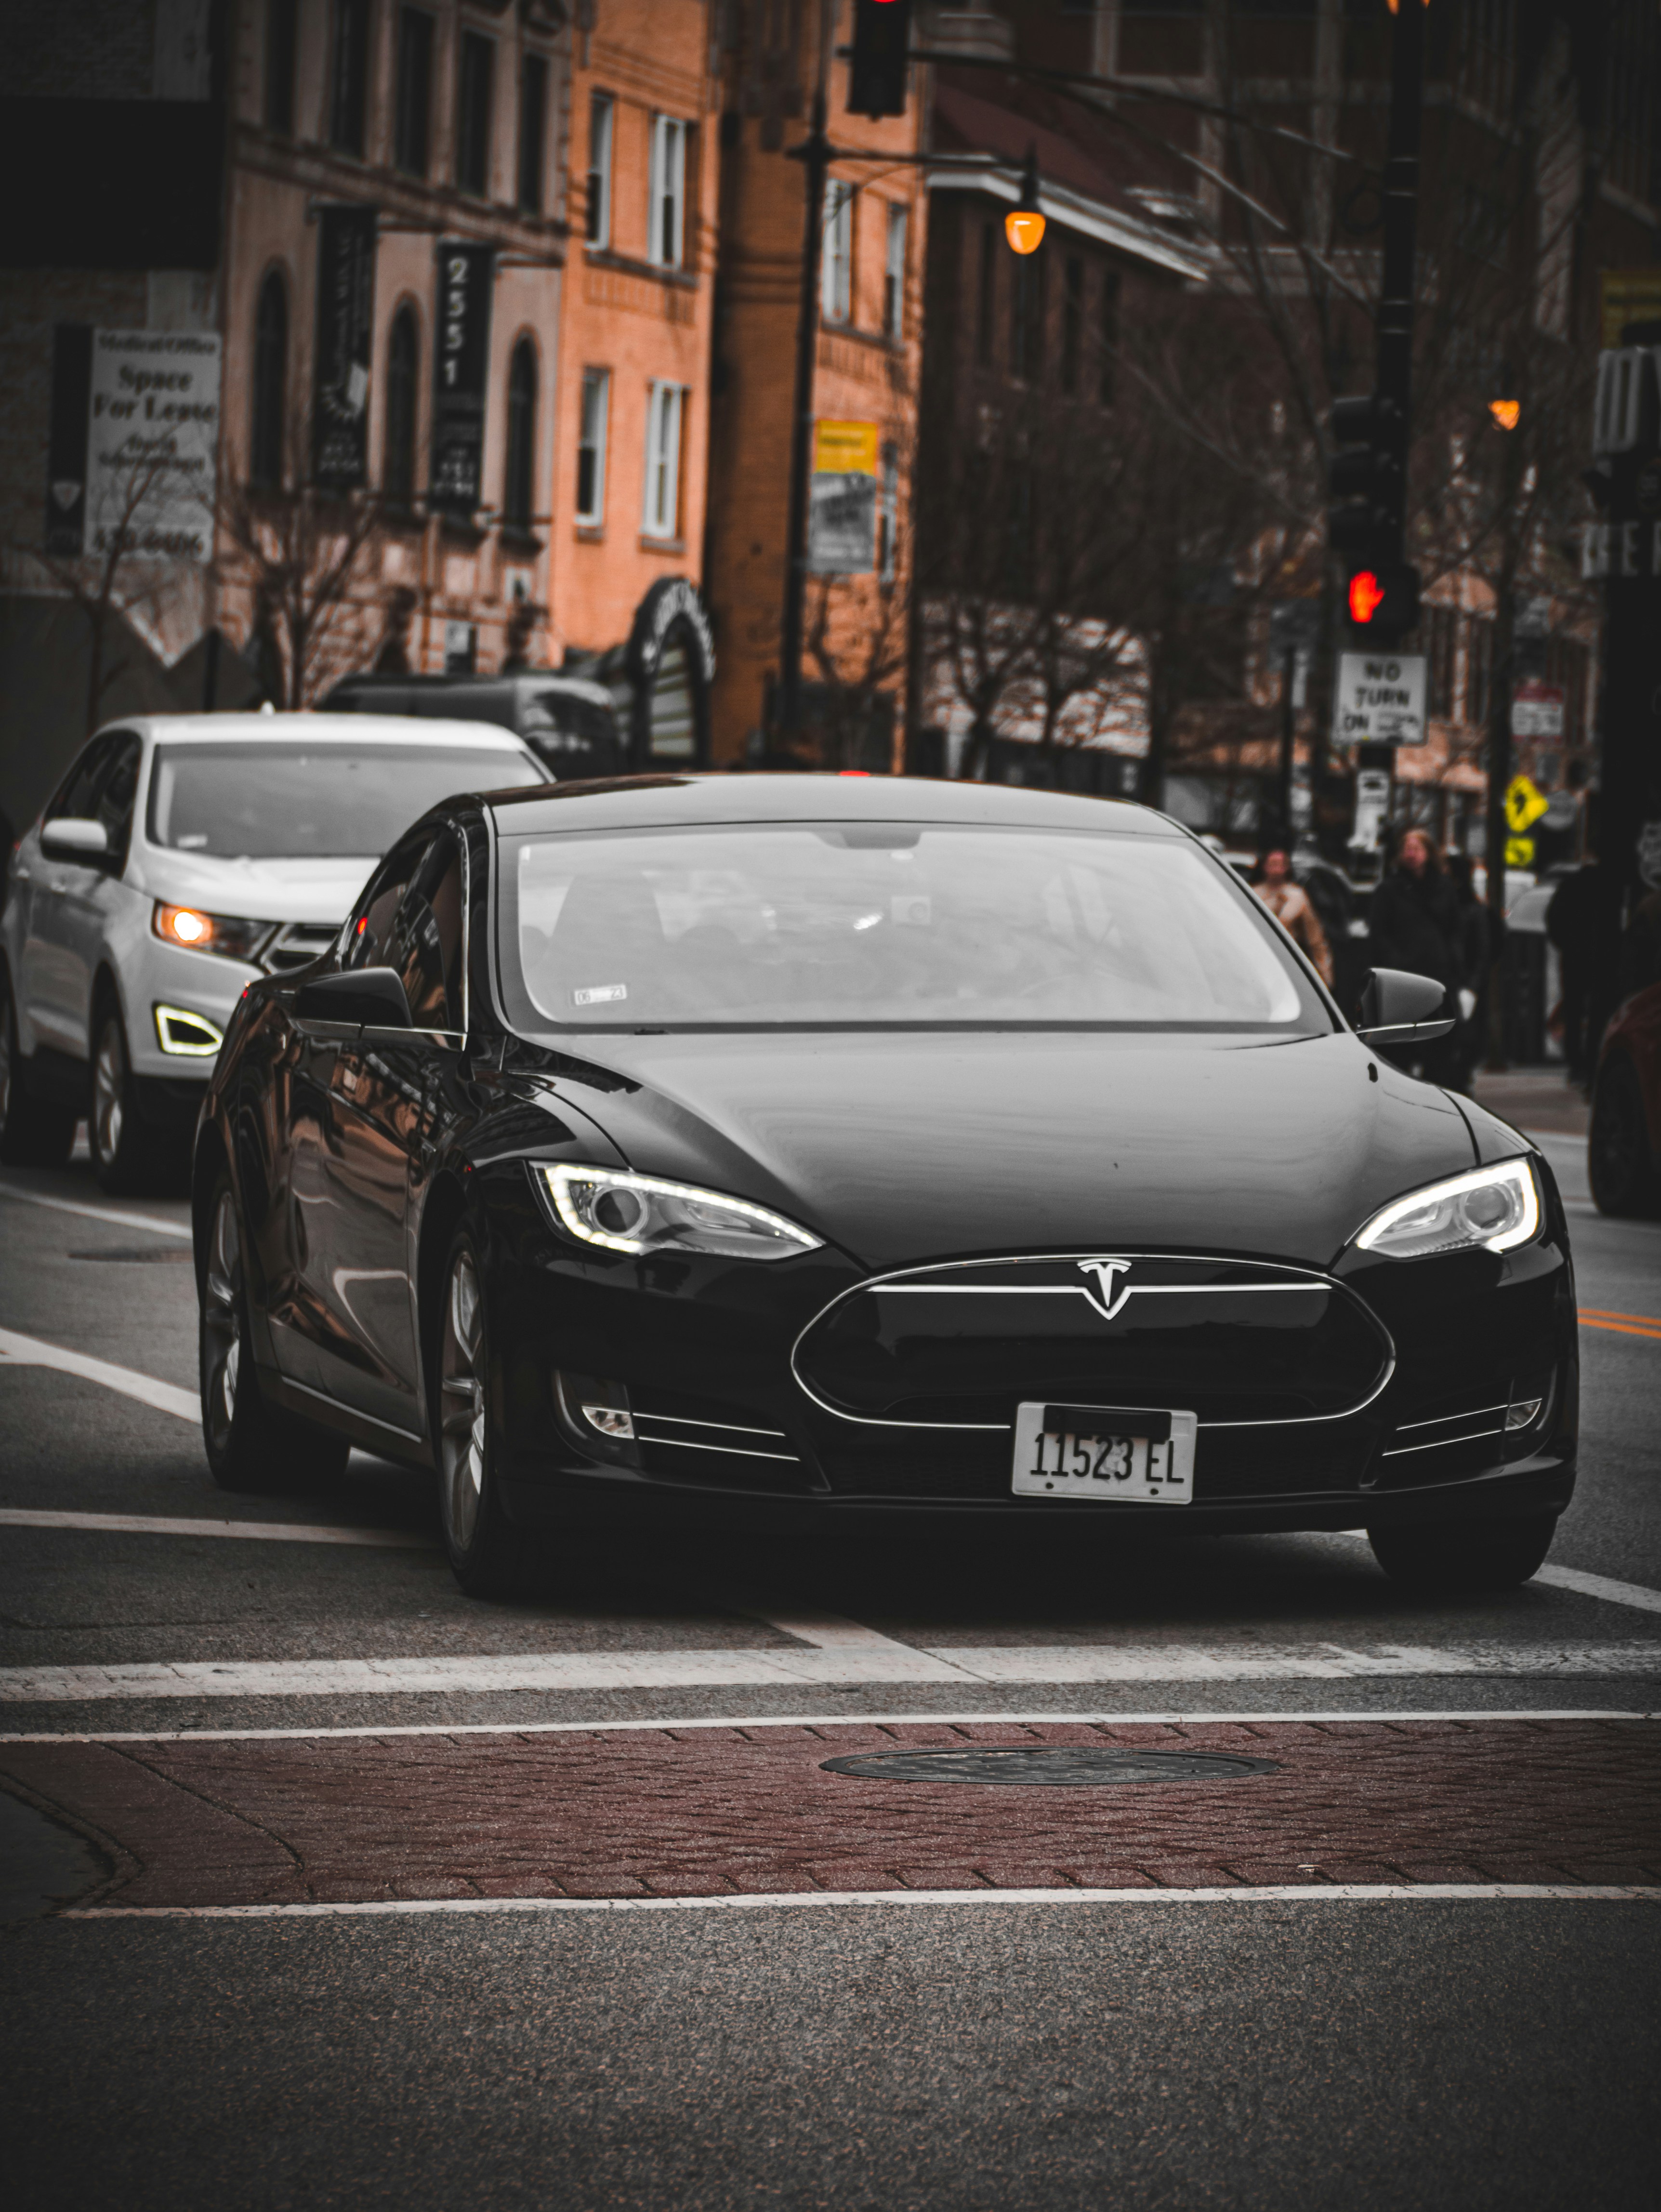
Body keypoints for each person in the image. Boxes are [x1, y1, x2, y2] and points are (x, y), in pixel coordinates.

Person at [1367, 829, 1462, 1075]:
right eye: (1407, 849)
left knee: (1438, 1048)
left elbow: (1454, 930)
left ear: (1429, 853)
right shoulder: (1389, 889)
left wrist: (1453, 965)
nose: (1411, 854)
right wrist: (1395, 962)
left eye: (1417, 849)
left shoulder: (1444, 887)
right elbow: (1379, 933)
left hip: (1438, 976)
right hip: (1403, 978)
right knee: (1401, 1047)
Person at [1546, 847, 1603, 1085]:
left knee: (1573, 1009)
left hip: (1574, 956)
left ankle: (1575, 1063)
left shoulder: (1570, 886)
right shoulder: (1607, 888)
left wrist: (1567, 944)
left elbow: (1553, 919)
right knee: (1598, 1011)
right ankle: (1591, 1061)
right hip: (1600, 957)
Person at [1443, 850, 1497, 1092]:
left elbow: (1482, 952)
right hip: (1459, 982)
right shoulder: (1471, 909)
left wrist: (1472, 986)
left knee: (1463, 1040)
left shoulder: (1470, 911)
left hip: (1461, 983)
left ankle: (1459, 1080)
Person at [1252, 847, 1333, 988]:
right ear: (1264, 867)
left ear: (1287, 868)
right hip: (1259, 960)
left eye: (1280, 865)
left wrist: (1325, 974)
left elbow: (1315, 938)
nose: (1276, 870)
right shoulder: (1254, 894)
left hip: (1287, 962)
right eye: (1272, 864)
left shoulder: (1297, 896)